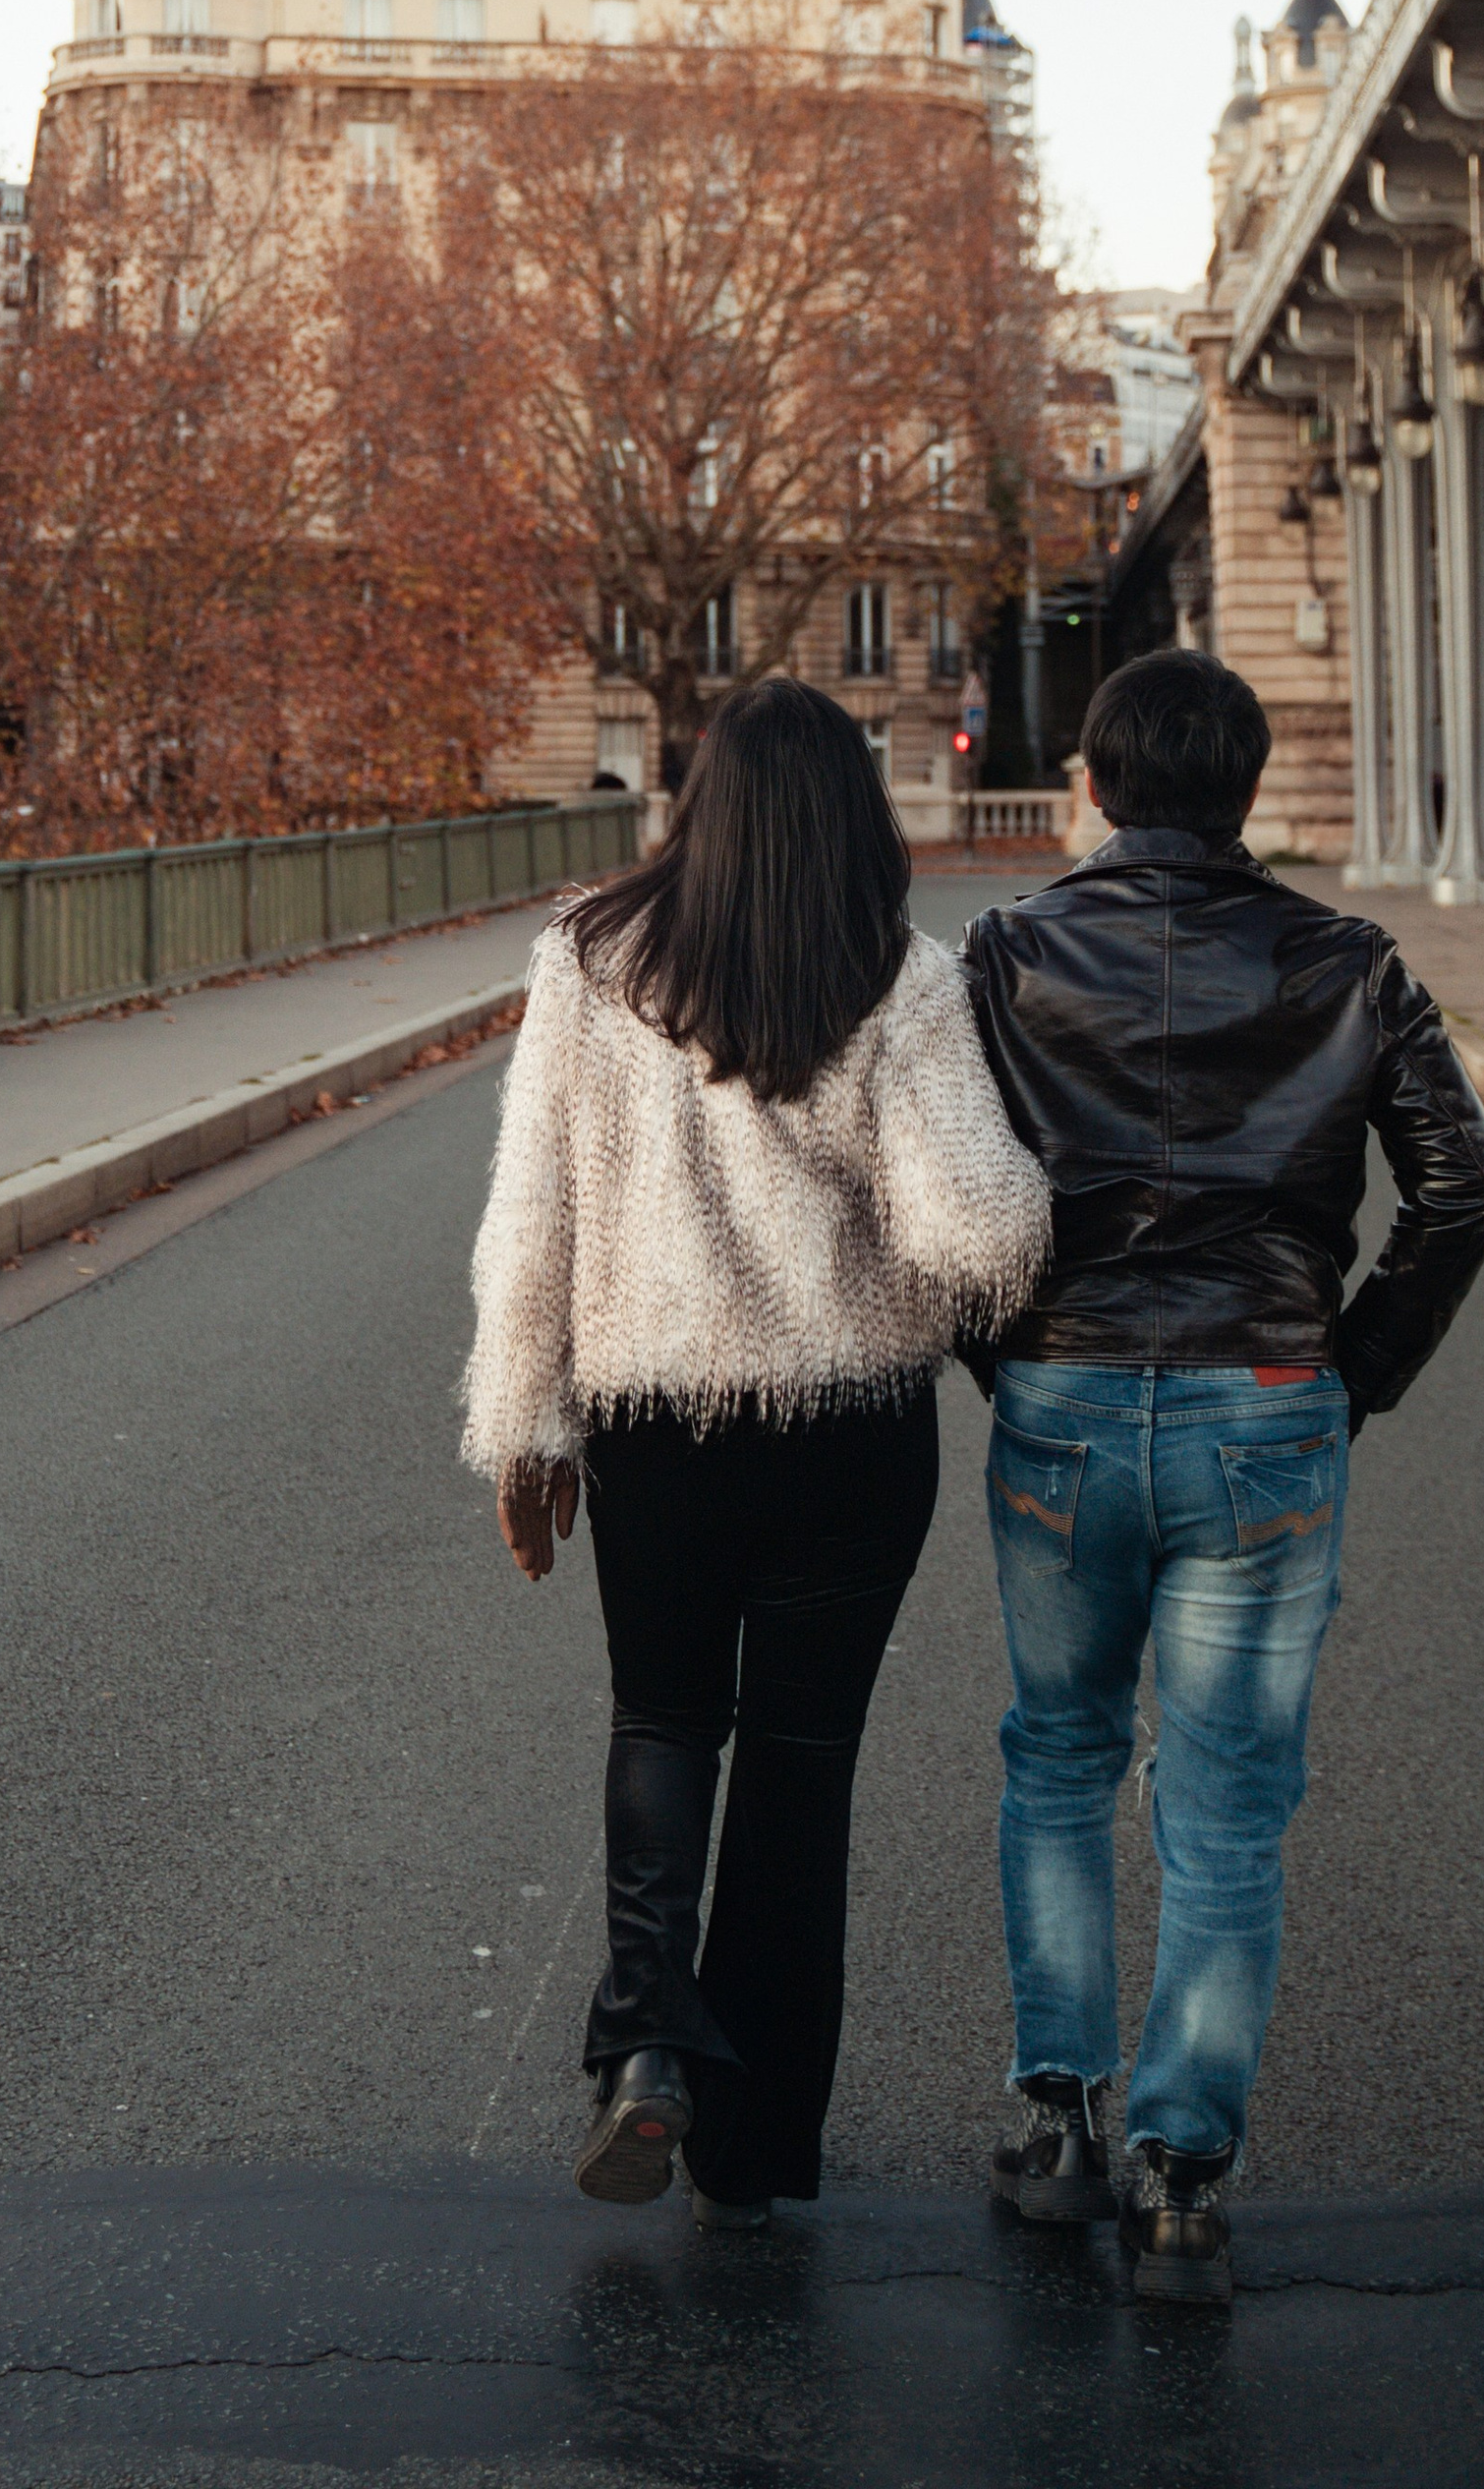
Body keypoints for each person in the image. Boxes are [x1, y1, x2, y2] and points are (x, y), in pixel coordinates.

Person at [462, 676, 1051, 2225]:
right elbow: (974, 1230)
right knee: (802, 1771)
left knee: (661, 1721)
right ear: (850, 810)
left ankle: (646, 2044)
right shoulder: (899, 977)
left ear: (698, 800)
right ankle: (757, 2140)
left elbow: (530, 1225)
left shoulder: (588, 964)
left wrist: (528, 1429)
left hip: (656, 1423)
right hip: (850, 1432)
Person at [960, 647, 1484, 2303]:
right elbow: (1461, 1185)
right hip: (1267, 1392)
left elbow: (938, 1183)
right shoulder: (1347, 961)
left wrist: (1006, 1346)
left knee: (1059, 1752)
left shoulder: (1014, 951)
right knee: (1226, 1803)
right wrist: (1354, 1372)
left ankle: (1058, 2117)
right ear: (1248, 787)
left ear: (1102, 782)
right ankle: (1185, 2162)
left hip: (1064, 1385)